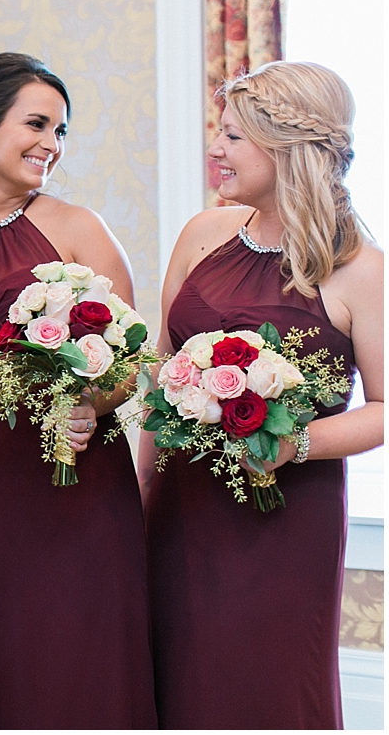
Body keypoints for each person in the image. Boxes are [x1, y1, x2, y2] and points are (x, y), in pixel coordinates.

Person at [142, 61, 382, 728]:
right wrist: (137, 497)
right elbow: (162, 381)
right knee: (174, 681)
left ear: (287, 149)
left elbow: (383, 410)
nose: (215, 150)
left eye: (233, 137)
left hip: (284, 525)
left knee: (268, 689)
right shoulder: (202, 235)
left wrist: (293, 442)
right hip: (181, 505)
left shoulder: (361, 269)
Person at [0, 52, 157, 728]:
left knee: (79, 666)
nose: (51, 145)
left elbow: (132, 356)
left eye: (62, 131)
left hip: (80, 492)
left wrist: (89, 403)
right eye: (36, 124)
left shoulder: (77, 226)